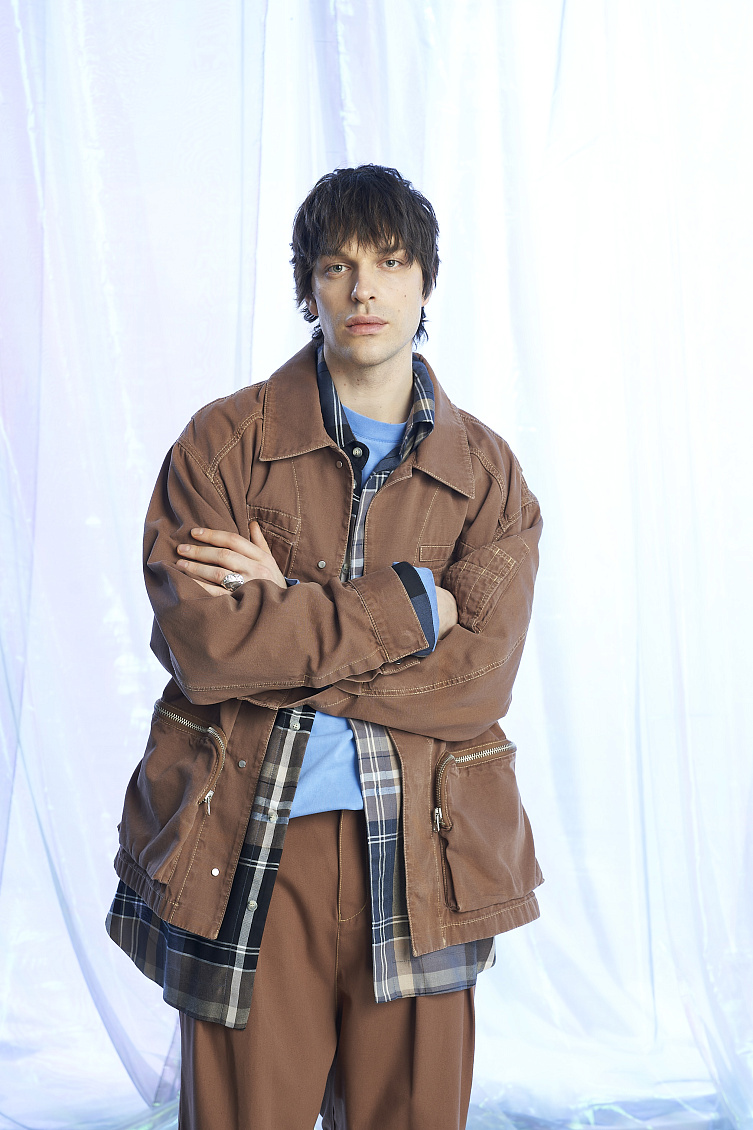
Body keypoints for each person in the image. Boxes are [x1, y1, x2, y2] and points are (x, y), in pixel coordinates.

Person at [107, 164, 543, 1130]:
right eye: (337, 266)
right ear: (307, 286)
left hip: (427, 852)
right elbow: (207, 652)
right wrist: (409, 611)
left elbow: (478, 683)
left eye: (390, 263)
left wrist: (288, 621)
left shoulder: (487, 475)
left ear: (426, 280)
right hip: (249, 842)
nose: (363, 290)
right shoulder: (222, 446)